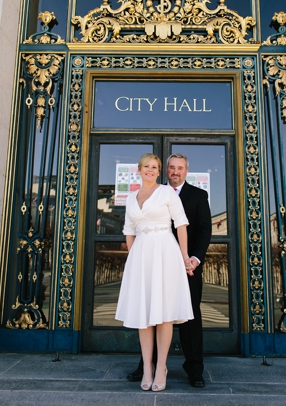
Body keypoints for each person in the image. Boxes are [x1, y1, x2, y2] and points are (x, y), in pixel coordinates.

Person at [126, 153, 212, 388]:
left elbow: (204, 231)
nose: (175, 171)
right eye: (171, 167)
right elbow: (131, 228)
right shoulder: (150, 192)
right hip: (149, 262)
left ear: (186, 171)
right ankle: (147, 366)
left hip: (186, 266)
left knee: (189, 316)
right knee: (150, 312)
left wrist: (192, 258)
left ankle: (194, 369)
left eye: (180, 168)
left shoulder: (197, 195)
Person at [115, 154, 194, 392]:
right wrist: (133, 257)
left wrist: (184, 258)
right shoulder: (130, 198)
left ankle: (161, 367)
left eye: (155, 167)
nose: (150, 170)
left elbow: (181, 225)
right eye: (146, 166)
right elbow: (129, 230)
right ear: (138, 170)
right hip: (141, 257)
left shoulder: (167, 193)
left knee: (164, 314)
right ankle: (147, 369)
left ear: (159, 171)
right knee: (144, 314)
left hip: (165, 254)